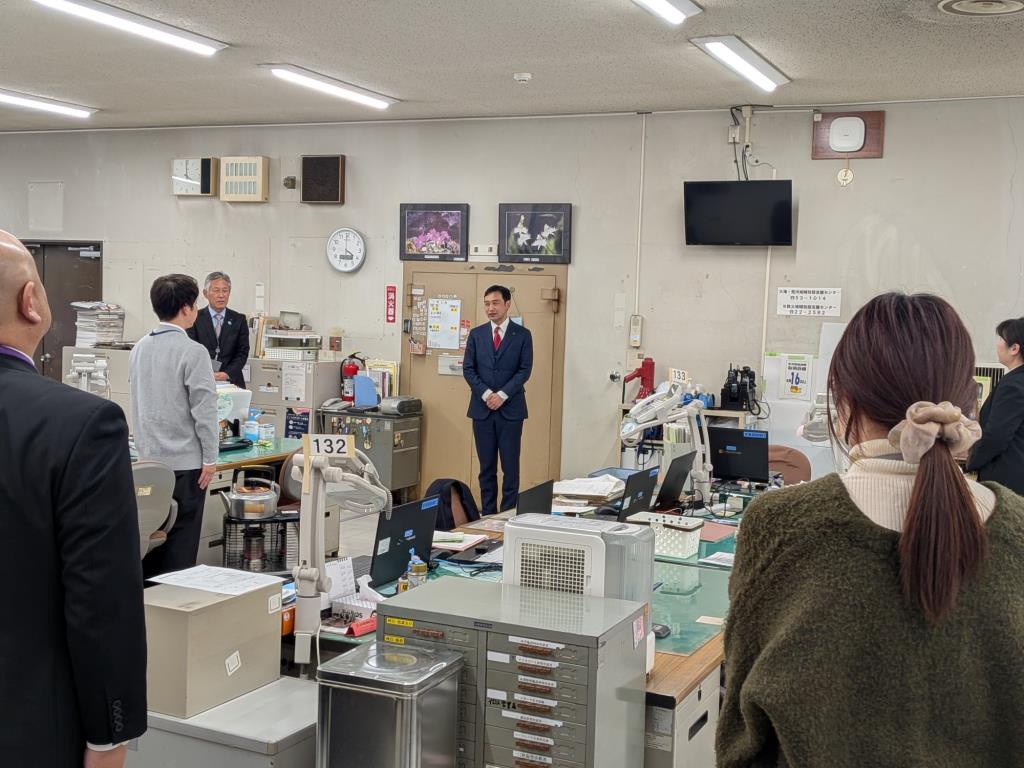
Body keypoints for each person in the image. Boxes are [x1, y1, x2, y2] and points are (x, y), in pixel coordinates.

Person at [717, 293, 1024, 767]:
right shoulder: (1016, 528)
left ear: (844, 403)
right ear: (969, 403)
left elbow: (742, 738)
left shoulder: (780, 524)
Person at [0, 230, 147, 768]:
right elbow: (101, 601)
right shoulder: (80, 425)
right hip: (28, 730)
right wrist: (110, 737)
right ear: (31, 302)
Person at [131, 274, 219, 577]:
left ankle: (148, 601)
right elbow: (205, 410)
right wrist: (211, 458)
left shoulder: (139, 347)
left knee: (149, 540)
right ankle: (177, 602)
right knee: (180, 547)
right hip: (187, 466)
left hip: (148, 463)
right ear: (186, 308)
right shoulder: (193, 351)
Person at [463, 285, 533, 514]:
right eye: (486, 304)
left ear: (507, 304)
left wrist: (502, 395)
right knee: (486, 468)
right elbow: (468, 369)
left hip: (511, 410)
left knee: (510, 468)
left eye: (495, 303)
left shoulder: (522, 335)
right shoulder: (477, 334)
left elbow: (524, 370)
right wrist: (486, 394)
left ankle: (508, 514)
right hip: (482, 410)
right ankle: (488, 515)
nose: (490, 308)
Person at [967, 317, 1024, 494]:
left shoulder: (1012, 385)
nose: (997, 344)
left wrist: (971, 461)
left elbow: (996, 436)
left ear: (1014, 349)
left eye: (1001, 339)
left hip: (1007, 480)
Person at [186, 270, 250, 388]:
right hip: (202, 380)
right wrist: (206, 373)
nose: (221, 295)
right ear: (205, 293)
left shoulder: (239, 319)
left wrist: (226, 374)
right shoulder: (194, 318)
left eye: (225, 290)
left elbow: (242, 352)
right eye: (216, 290)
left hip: (232, 381)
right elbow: (191, 350)